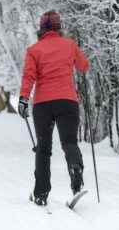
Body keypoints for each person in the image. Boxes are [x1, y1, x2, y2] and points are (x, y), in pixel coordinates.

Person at [18, 10, 90, 206]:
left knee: (43, 148)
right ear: (59, 27)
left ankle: (41, 193)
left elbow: (29, 76)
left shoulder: (34, 50)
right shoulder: (70, 45)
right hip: (67, 101)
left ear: (41, 29)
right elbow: (84, 66)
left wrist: (23, 99)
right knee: (69, 142)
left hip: (43, 105)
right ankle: (76, 173)